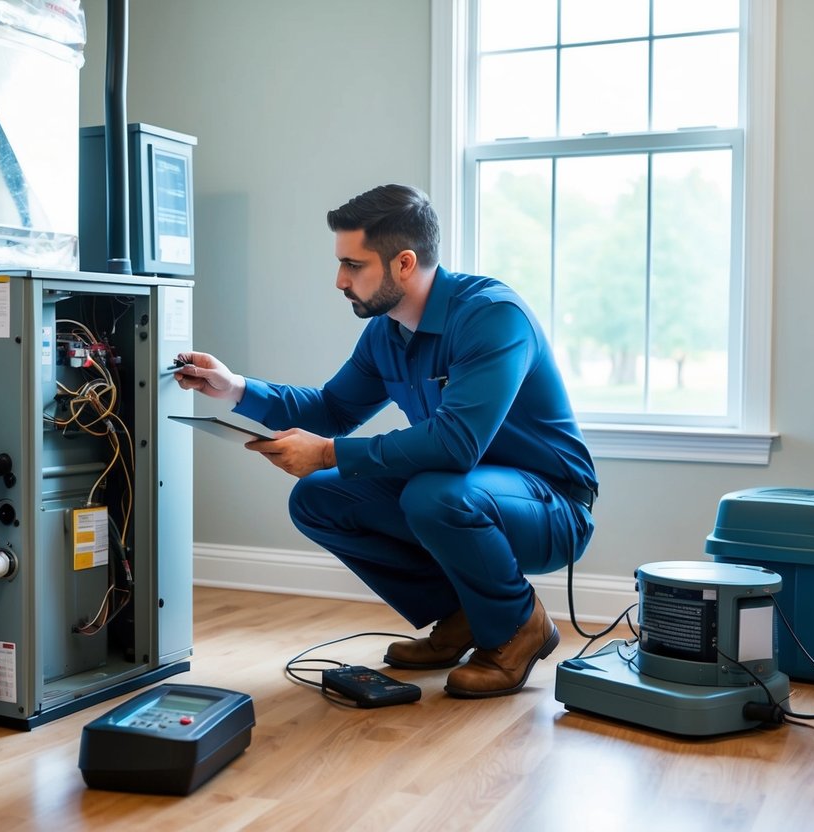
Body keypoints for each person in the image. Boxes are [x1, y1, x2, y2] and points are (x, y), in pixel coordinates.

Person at [174, 184, 597, 698]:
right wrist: (235, 387)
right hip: (461, 491)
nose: (339, 280)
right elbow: (333, 409)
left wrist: (328, 453)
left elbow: (455, 444)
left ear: (403, 263)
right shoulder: (386, 332)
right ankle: (462, 613)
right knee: (319, 497)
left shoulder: (492, 316)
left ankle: (517, 626)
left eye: (353, 265)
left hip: (551, 506)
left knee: (432, 493)